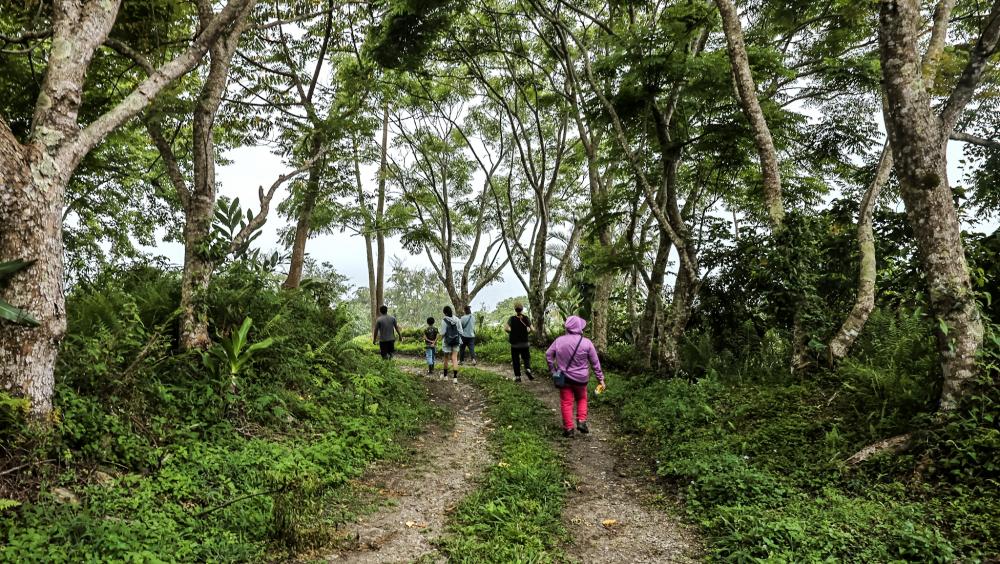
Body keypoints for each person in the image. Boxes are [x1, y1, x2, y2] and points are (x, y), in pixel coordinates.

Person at [546, 315, 606, 438]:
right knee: (582, 399)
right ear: (579, 327)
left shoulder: (559, 340)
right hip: (581, 379)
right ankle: (581, 421)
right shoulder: (587, 343)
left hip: (564, 378)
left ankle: (568, 429)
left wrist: (553, 371)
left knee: (566, 402)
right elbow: (595, 363)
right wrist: (601, 379)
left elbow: (548, 355)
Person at [504, 302, 534, 382]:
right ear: (522, 309)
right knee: (526, 358)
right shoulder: (526, 318)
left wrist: (512, 331)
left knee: (515, 360)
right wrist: (528, 332)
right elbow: (533, 329)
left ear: (515, 310)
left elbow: (506, 328)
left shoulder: (512, 318)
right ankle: (528, 369)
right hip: (525, 343)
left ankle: (518, 377)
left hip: (515, 344)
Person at [441, 306, 462, 384]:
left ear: (445, 313)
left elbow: (442, 333)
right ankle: (455, 378)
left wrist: (441, 339)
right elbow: (460, 331)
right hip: (456, 340)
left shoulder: (444, 320)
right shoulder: (457, 319)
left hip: (447, 341)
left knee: (446, 358)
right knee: (454, 358)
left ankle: (445, 376)